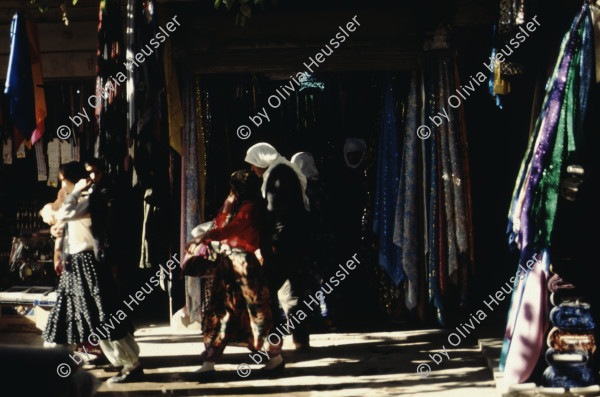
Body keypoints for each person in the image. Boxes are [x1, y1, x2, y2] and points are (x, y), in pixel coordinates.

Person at [42, 161, 143, 383]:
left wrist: (76, 191)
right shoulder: (80, 198)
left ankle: (131, 363)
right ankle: (53, 363)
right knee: (65, 315)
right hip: (74, 265)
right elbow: (53, 215)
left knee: (103, 316)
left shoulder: (89, 198)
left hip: (89, 264)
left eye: (64, 181)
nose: (63, 186)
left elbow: (64, 213)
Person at [185, 169, 283, 377]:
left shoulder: (250, 207)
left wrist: (204, 237)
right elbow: (223, 225)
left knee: (256, 312)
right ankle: (210, 360)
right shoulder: (235, 205)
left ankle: (275, 358)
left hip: (245, 267)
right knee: (221, 310)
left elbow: (233, 229)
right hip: (228, 263)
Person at [245, 143, 311, 350]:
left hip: (283, 243)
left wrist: (274, 242)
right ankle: (300, 340)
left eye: (254, 164)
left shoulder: (278, 176)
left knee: (266, 290)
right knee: (291, 291)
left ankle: (273, 342)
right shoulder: (282, 171)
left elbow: (279, 213)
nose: (252, 169)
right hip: (295, 241)